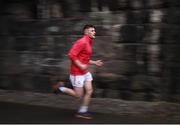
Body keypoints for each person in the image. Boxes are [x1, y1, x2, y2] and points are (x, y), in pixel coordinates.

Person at [52, 24, 103, 119]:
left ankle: (82, 112)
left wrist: (94, 62)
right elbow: (71, 54)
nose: (94, 32)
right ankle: (60, 88)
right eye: (92, 30)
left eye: (94, 30)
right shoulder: (82, 42)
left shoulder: (89, 42)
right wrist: (80, 65)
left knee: (89, 90)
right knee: (78, 95)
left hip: (85, 72)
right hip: (77, 73)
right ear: (86, 32)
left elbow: (84, 58)